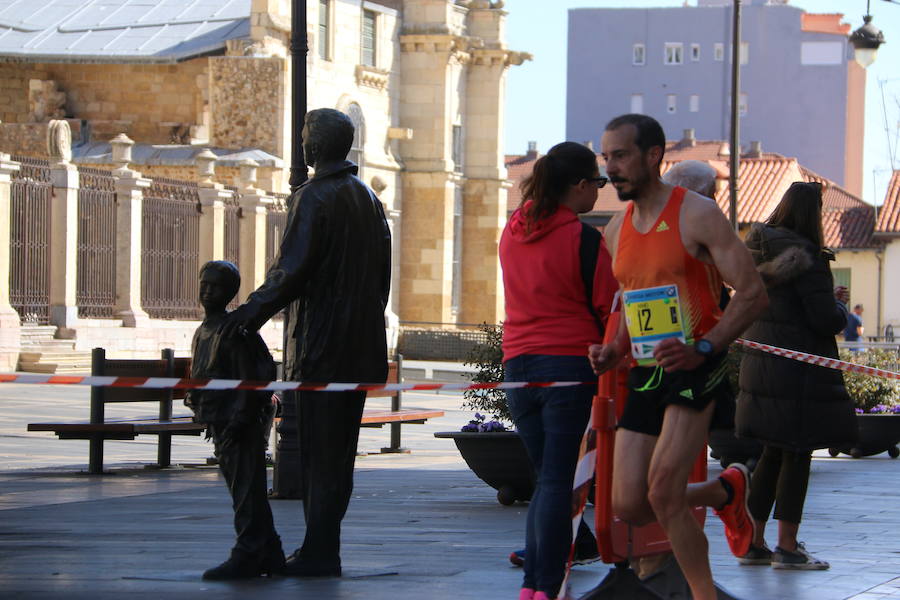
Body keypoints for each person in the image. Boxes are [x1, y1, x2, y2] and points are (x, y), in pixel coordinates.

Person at [589, 114, 769, 600]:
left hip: (698, 365)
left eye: (621, 155)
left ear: (653, 156)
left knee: (664, 492)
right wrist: (614, 349)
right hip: (648, 370)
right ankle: (724, 491)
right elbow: (631, 298)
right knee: (628, 502)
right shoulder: (614, 229)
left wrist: (704, 347)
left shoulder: (697, 214)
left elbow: (752, 294)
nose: (611, 167)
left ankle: (702, 594)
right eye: (606, 157)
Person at [220, 108, 392, 578]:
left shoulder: (314, 197)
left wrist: (247, 316)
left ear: (314, 146)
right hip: (358, 349)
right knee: (339, 454)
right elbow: (382, 281)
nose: (302, 145)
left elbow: (290, 270)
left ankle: (320, 551)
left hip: (321, 348)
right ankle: (323, 545)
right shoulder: (369, 199)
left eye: (303, 138)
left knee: (320, 453)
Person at [500, 141, 619, 600]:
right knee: (556, 479)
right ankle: (541, 585)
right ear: (578, 185)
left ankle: (540, 577)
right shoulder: (583, 239)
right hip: (568, 366)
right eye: (597, 183)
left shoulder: (512, 230)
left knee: (545, 477)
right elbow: (607, 305)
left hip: (517, 366)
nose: (599, 193)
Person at [736, 181, 858, 570]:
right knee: (798, 453)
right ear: (812, 215)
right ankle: (787, 547)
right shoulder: (807, 257)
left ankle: (752, 542)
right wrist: (838, 309)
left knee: (772, 452)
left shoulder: (755, 249)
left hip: (762, 365)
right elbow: (822, 319)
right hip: (799, 372)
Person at [184, 261, 284, 580]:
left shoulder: (235, 331)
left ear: (230, 293)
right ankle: (269, 551)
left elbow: (255, 378)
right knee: (244, 489)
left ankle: (249, 552)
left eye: (215, 285)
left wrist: (240, 420)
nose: (207, 290)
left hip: (238, 424)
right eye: (204, 283)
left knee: (246, 490)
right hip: (219, 422)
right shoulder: (203, 331)